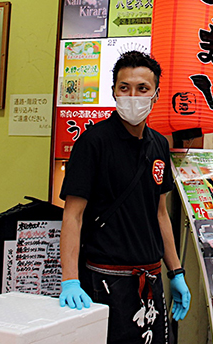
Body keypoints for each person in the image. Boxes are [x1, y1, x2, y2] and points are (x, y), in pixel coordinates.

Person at [59, 51, 191, 344]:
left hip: (151, 281)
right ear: (113, 92)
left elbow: (160, 213)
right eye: (124, 88)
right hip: (105, 281)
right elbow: (73, 215)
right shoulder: (93, 143)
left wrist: (176, 272)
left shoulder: (158, 144)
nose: (133, 95)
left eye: (142, 89)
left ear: (155, 94)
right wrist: (70, 280)